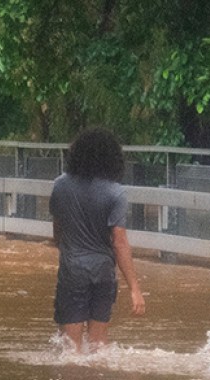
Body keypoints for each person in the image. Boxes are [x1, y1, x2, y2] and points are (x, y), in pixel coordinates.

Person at [49, 128, 146, 353]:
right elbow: (119, 243)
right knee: (98, 346)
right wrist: (135, 288)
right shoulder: (116, 193)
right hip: (103, 272)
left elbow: (57, 230)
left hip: (72, 270)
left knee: (70, 348)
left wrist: (66, 247)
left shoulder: (60, 185)